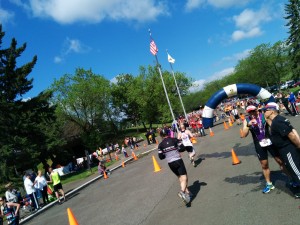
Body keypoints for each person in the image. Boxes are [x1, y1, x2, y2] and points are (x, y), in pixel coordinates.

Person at [242, 105, 288, 194]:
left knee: (280, 161)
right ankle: (269, 184)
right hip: (259, 144)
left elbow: (273, 125)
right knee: (264, 165)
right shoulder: (247, 120)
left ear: (257, 110)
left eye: (253, 111)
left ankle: (292, 178)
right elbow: (243, 135)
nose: (252, 113)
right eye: (250, 112)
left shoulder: (263, 116)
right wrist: (248, 125)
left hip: (270, 141)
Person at [263, 102, 300, 197]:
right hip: (284, 150)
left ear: (271, 111)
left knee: (296, 171)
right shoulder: (276, 121)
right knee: (294, 170)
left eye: (265, 110)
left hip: (288, 149)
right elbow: (293, 130)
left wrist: (298, 146)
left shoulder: (278, 121)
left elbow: (291, 134)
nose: (264, 112)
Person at [158, 129, 191, 204]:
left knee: (180, 177)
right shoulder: (174, 140)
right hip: (178, 160)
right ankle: (182, 192)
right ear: (169, 133)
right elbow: (182, 148)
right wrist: (176, 149)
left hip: (170, 163)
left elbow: (161, 157)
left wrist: (166, 152)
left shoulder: (160, 145)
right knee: (185, 177)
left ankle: (187, 193)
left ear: (161, 135)